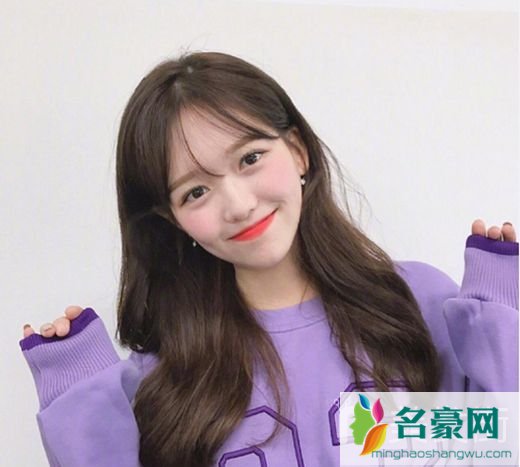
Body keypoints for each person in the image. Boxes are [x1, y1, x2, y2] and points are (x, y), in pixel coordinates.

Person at [20, 51, 518, 467]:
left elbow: (495, 447)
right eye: (196, 192)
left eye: (250, 159)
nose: (238, 205)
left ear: (297, 150)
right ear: (173, 220)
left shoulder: (413, 305)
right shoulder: (168, 380)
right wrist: (79, 399)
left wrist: (500, 317)